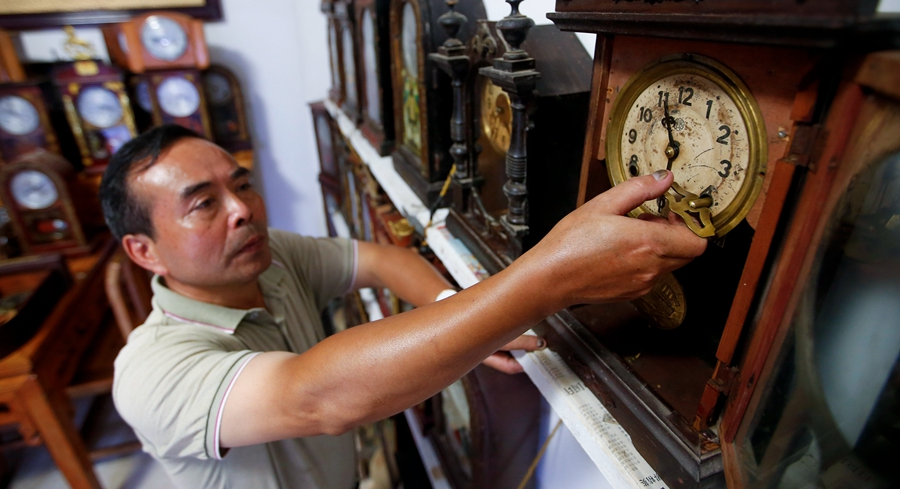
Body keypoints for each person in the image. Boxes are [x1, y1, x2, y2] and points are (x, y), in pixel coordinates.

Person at [100, 124, 706, 489]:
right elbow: (319, 399)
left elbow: (378, 260)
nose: (242, 209)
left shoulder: (269, 256)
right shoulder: (151, 374)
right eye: (203, 203)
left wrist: (454, 305)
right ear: (143, 250)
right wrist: (549, 277)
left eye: (242, 184)